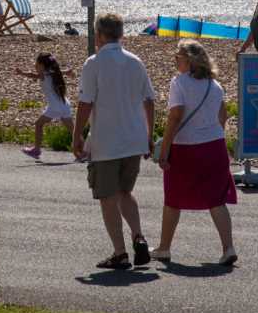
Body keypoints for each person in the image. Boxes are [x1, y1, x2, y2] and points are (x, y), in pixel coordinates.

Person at [71, 14, 157, 271]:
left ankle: (120, 252)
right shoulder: (135, 62)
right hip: (134, 138)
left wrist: (76, 134)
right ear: (120, 34)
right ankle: (138, 235)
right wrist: (148, 134)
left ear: (99, 35)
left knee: (107, 197)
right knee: (125, 193)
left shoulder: (94, 63)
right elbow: (149, 101)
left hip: (107, 141)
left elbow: (85, 103)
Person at [155, 40, 238, 266]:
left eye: (178, 57)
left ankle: (164, 248)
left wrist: (165, 150)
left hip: (186, 147)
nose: (175, 61)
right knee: (216, 199)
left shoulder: (179, 83)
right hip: (214, 146)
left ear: (190, 61)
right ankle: (228, 247)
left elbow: (175, 117)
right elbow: (222, 117)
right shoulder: (215, 85)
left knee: (173, 198)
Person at [17, 52, 72, 160]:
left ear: (42, 65)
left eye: (36, 64)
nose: (35, 66)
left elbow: (32, 75)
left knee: (38, 124)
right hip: (64, 104)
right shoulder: (54, 72)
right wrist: (68, 72)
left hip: (55, 107)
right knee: (73, 130)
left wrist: (22, 73)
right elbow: (62, 72)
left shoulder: (44, 74)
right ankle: (85, 150)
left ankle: (36, 150)